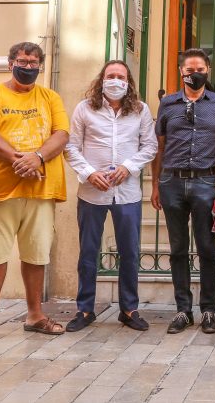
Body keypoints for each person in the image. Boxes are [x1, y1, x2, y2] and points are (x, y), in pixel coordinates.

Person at [0, 42, 70, 346]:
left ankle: (35, 315)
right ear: (10, 63)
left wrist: (36, 157)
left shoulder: (50, 97)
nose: (28, 67)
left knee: (36, 255)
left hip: (41, 190)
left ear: (41, 66)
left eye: (34, 63)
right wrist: (18, 159)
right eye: (23, 61)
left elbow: (61, 134)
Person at [64, 60, 158, 332]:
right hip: (92, 192)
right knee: (89, 252)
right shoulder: (85, 109)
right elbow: (71, 147)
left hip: (127, 193)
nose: (115, 81)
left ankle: (129, 309)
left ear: (128, 82)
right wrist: (89, 172)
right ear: (102, 79)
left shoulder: (140, 110)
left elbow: (150, 146)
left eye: (121, 77)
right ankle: (85, 309)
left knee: (129, 252)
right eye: (111, 76)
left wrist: (129, 167)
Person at [152, 48, 215, 335]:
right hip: (171, 182)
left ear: (207, 71)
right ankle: (182, 310)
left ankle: (208, 310)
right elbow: (158, 146)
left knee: (207, 248)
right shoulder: (168, 103)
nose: (194, 73)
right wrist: (155, 184)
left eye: (199, 69)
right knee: (177, 250)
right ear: (181, 72)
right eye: (189, 69)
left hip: (204, 182)